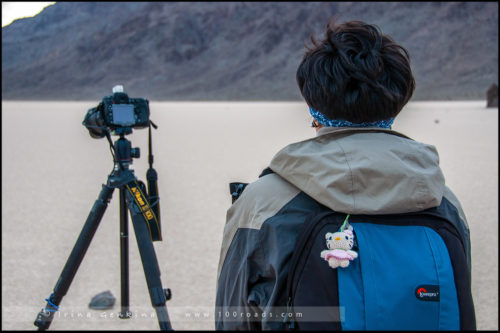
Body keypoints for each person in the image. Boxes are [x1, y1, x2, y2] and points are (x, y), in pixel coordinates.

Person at [215, 18, 472, 330]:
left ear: (313, 103)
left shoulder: (265, 202)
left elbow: (233, 316)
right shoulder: (442, 200)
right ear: (399, 99)